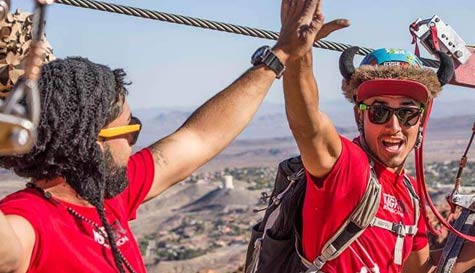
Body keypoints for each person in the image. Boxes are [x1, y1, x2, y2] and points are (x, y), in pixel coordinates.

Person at [0, 0, 330, 272]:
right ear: (91, 144)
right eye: (131, 129)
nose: (134, 142)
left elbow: (201, 136)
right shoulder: (29, 221)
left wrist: (280, 55)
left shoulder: (105, 195)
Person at [281, 1, 455, 273]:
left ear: (421, 118)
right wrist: (297, 56)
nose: (395, 126)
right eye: (379, 112)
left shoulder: (409, 194)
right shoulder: (348, 168)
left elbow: (419, 269)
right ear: (358, 117)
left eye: (408, 113)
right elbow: (308, 126)